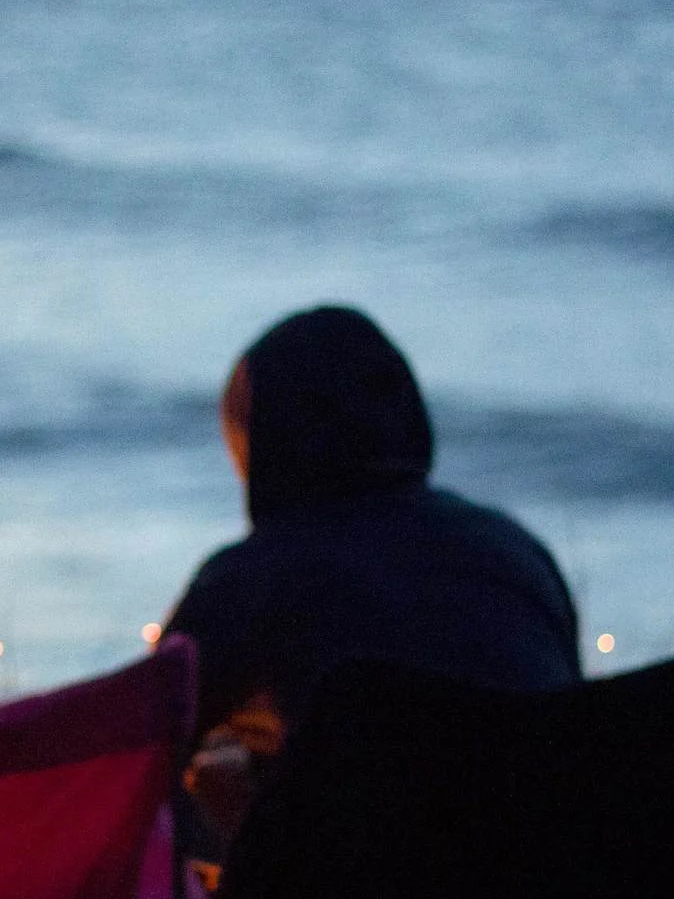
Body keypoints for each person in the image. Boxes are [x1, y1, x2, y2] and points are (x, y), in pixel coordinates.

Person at [162, 306, 584, 844]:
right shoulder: (516, 552)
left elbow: (130, 758)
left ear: (264, 444)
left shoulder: (250, 580)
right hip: (549, 887)